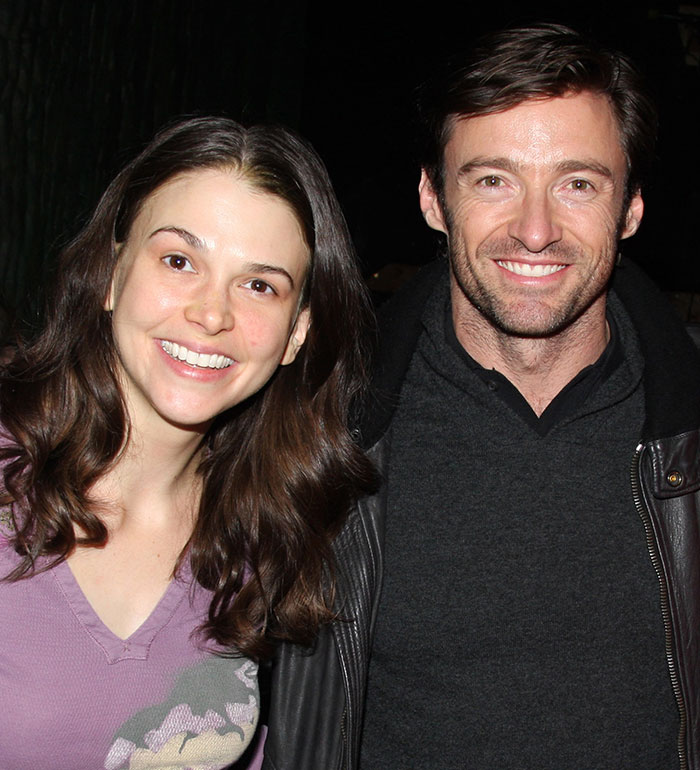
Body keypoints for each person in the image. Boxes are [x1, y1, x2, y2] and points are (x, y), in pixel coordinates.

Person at [260, 23, 700, 770]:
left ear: (629, 210)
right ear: (433, 199)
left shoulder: (690, 429)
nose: (535, 230)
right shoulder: (315, 426)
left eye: (578, 184)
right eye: (493, 179)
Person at [0, 116, 374, 769]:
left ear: (295, 333)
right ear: (113, 274)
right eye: (179, 260)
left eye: (260, 284)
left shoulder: (270, 543)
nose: (211, 313)